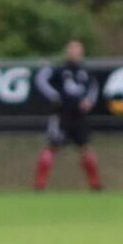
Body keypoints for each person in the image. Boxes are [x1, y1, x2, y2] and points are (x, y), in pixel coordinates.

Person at [33, 39, 102, 191]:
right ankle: (39, 185)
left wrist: (89, 101)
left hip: (79, 116)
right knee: (52, 146)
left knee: (86, 148)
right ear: (67, 51)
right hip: (62, 115)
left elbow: (93, 88)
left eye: (78, 49)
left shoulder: (85, 72)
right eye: (73, 49)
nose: (76, 52)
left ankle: (95, 184)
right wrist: (55, 96)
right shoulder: (58, 69)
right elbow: (41, 80)